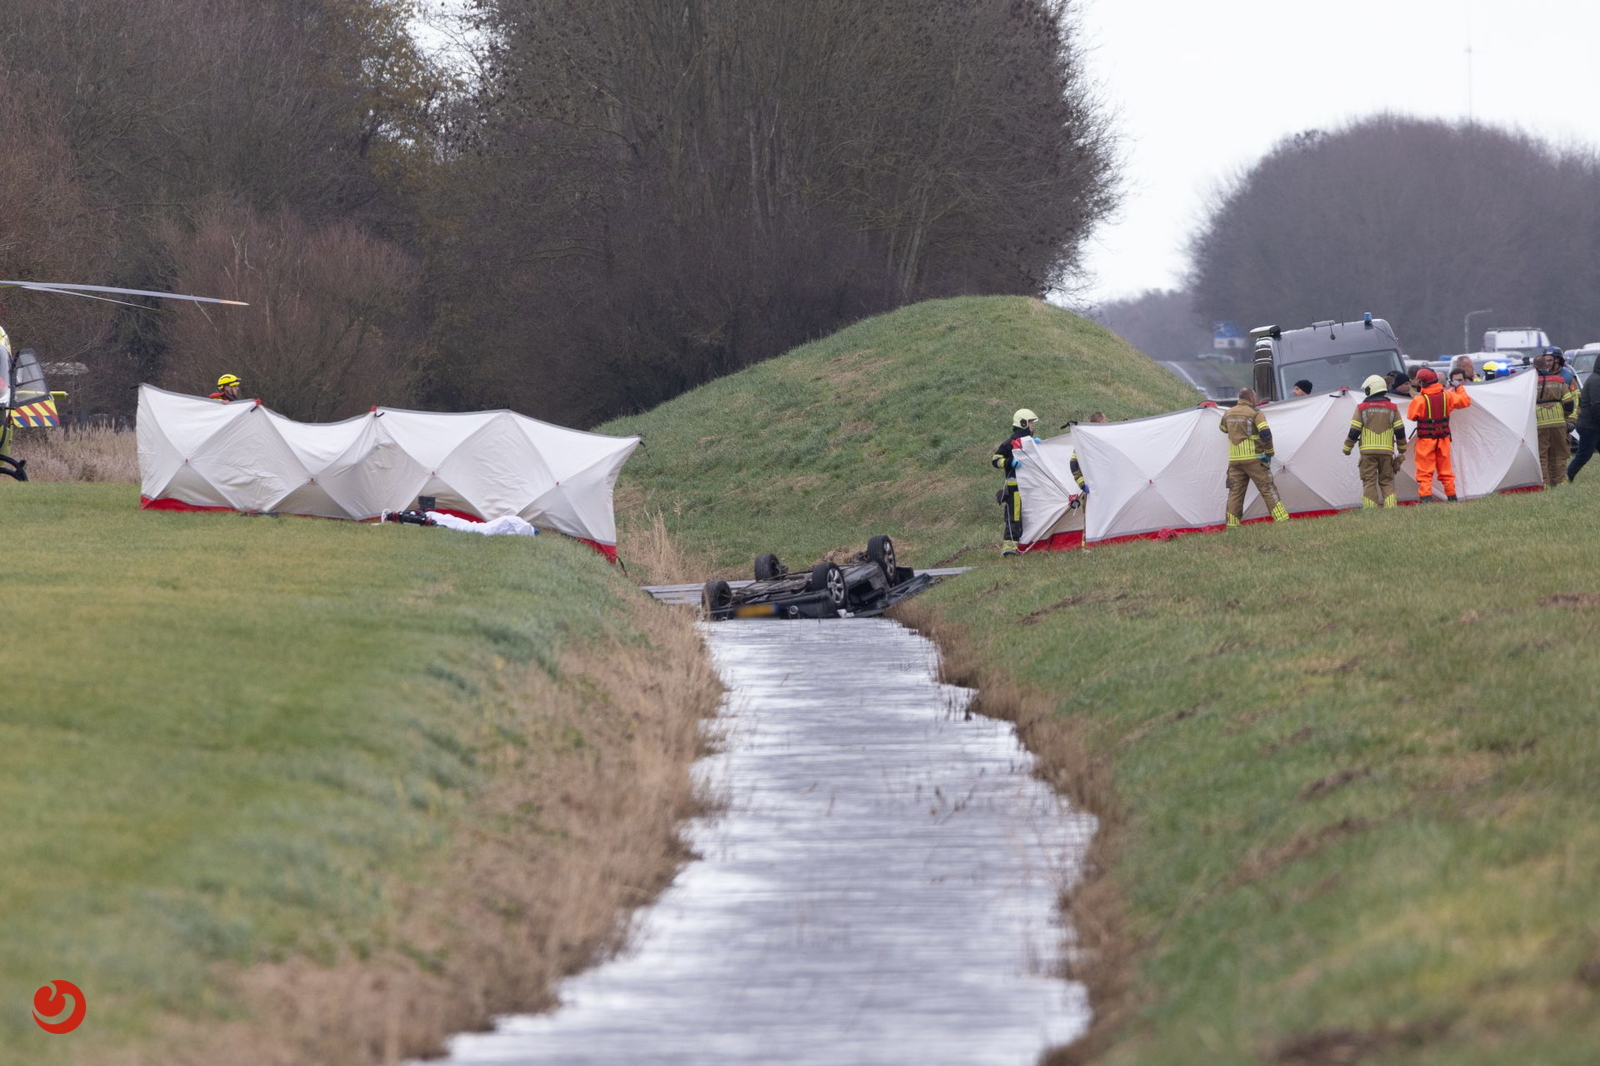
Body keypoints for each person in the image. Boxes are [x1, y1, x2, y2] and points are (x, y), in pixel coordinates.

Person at [1220, 387, 1289, 527]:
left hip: (1235, 461)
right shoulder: (1255, 413)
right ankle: (1282, 519)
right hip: (1255, 459)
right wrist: (1269, 452)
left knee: (1235, 493)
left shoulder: (1228, 413)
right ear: (1251, 398)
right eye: (1255, 398)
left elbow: (1223, 429)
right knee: (1268, 489)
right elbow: (1265, 433)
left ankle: (1232, 525)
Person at [1407, 366, 1471, 501]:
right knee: (1446, 470)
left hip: (1426, 441)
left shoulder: (1420, 400)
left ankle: (1425, 499)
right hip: (1443, 439)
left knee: (1424, 472)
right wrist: (1459, 387)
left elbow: (1411, 415)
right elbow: (1465, 401)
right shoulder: (1447, 395)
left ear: (1422, 382)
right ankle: (1452, 497)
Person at [1342, 375, 1406, 508]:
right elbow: (1399, 430)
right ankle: (1391, 509)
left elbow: (1354, 431)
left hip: (1367, 453)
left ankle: (1371, 510)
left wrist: (1347, 448)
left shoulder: (1361, 408)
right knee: (1387, 480)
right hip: (1386, 452)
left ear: (1370, 390)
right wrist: (1402, 448)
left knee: (1369, 481)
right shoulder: (1392, 408)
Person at [991, 408, 1040, 556]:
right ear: (1023, 423)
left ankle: (1026, 544)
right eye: (1031, 423)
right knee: (1014, 517)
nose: (1033, 426)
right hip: (1015, 488)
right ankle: (1009, 549)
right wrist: (1009, 462)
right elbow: (995, 460)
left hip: (1030, 487)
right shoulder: (1010, 443)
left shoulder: (1029, 442)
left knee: (1029, 515)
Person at [1533, 347, 1579, 488]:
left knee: (1542, 457)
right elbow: (1569, 403)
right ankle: (1560, 485)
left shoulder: (1531, 383)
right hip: (1559, 423)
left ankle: (1545, 485)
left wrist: (1571, 421)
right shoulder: (1560, 381)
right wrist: (1565, 418)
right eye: (1546, 360)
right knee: (1559, 456)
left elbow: (1576, 400)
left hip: (1540, 425)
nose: (1548, 363)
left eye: (1550, 360)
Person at [1568, 364, 1600, 481]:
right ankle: (1568, 477)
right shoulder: (1596, 380)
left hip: (1593, 425)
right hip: (1590, 426)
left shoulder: (1595, 378)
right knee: (1583, 456)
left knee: (1583, 455)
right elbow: (1596, 405)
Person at [1068, 411, 1108, 497]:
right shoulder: (1084, 441)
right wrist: (1082, 484)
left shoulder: (1106, 439)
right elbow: (1073, 464)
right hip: (1093, 490)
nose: (1107, 423)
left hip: (1107, 488)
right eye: (1105, 420)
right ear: (1101, 422)